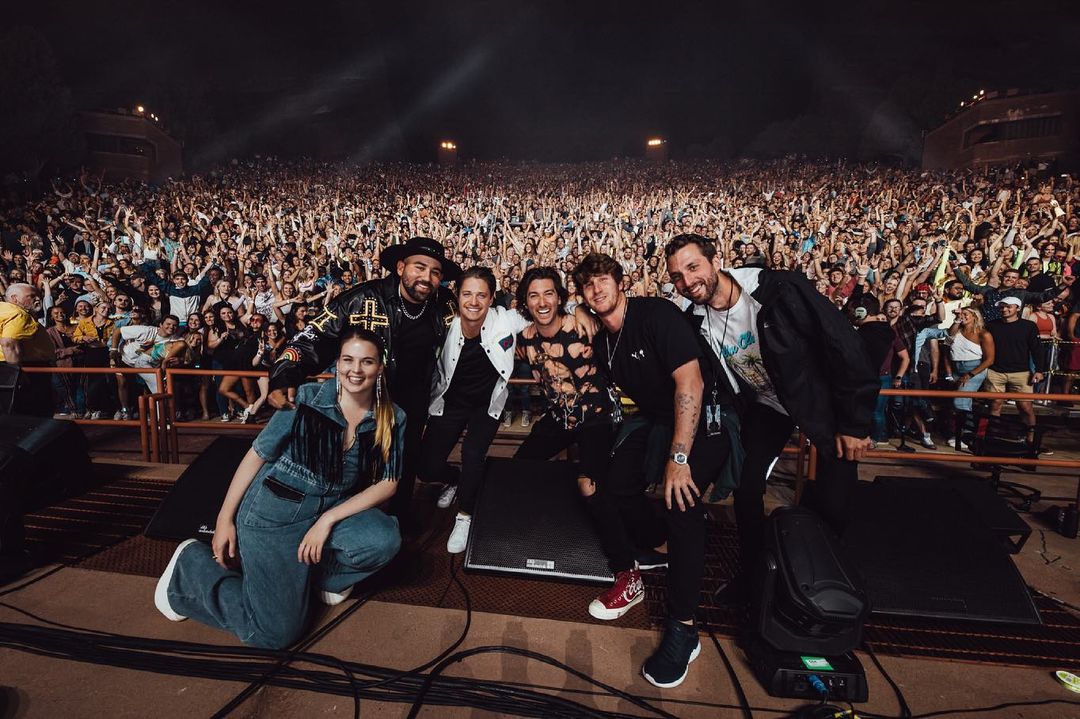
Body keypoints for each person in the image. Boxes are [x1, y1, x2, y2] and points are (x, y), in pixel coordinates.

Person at [664, 234, 876, 610]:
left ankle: (820, 587)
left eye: (693, 267)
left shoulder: (778, 290)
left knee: (835, 499)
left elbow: (844, 344)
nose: (687, 281)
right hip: (767, 407)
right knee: (747, 489)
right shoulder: (693, 319)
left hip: (819, 401)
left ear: (717, 260)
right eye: (677, 276)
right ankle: (753, 576)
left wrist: (856, 423)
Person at [155, 328, 404, 649]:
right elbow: (256, 455)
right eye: (348, 360)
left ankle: (319, 578)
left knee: (383, 539)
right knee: (275, 634)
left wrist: (326, 521)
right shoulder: (305, 398)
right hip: (274, 514)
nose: (356, 370)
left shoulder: (392, 416)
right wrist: (224, 519)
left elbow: (388, 482)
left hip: (328, 509)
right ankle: (187, 570)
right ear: (337, 363)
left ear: (380, 367)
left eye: (367, 361)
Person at [574, 252, 732, 689]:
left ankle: (684, 627)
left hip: (708, 416)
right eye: (588, 285)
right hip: (657, 420)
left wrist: (678, 460)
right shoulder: (601, 335)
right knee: (612, 485)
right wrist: (578, 312)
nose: (597, 289)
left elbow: (691, 383)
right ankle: (656, 548)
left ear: (620, 282)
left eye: (603, 280)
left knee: (681, 500)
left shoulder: (655, 314)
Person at [268, 237, 460, 524]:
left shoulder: (445, 304)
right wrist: (284, 374)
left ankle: (397, 522)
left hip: (414, 401)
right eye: (419, 267)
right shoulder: (362, 298)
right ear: (400, 267)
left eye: (435, 272)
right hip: (365, 398)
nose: (427, 277)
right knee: (355, 463)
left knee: (404, 464)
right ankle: (343, 524)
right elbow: (313, 337)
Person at [985, 296, 1046, 433]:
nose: (1004, 309)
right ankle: (993, 436)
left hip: (1021, 372)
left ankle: (1031, 437)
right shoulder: (991, 325)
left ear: (1018, 308)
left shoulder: (1028, 326)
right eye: (1002, 307)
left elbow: (1037, 349)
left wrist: (1039, 370)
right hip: (995, 371)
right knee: (995, 405)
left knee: (1025, 407)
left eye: (1008, 306)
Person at [0, 283, 55, 416]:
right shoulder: (19, 314)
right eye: (31, 296)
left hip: (9, 367)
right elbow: (9, 343)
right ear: (14, 298)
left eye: (38, 295)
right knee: (34, 413)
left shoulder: (4, 309)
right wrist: (16, 373)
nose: (37, 299)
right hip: (24, 369)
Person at [943, 306, 994, 414]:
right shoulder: (955, 331)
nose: (962, 316)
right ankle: (966, 425)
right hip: (955, 368)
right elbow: (946, 352)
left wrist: (970, 375)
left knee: (960, 402)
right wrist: (949, 374)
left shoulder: (984, 334)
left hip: (975, 369)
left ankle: (965, 425)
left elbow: (989, 360)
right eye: (960, 314)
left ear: (974, 316)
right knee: (955, 403)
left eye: (965, 314)